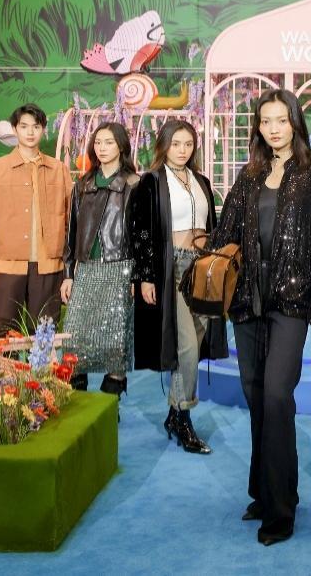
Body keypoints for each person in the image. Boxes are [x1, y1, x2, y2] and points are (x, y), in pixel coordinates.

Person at [208, 89, 311, 547]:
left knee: (277, 395)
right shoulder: (249, 175)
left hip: (291, 299)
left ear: (295, 123)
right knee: (255, 393)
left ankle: (282, 509)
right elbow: (226, 233)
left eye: (281, 120)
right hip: (248, 298)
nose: (273, 128)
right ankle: (263, 492)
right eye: (265, 121)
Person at [131, 120, 226, 455]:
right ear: (164, 146)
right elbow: (140, 233)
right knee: (186, 345)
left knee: (197, 341)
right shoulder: (151, 182)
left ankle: (174, 413)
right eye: (176, 144)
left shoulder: (201, 181)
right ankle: (183, 417)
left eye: (188, 144)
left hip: (202, 268)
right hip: (172, 269)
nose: (183, 150)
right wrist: (144, 276)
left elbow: (212, 226)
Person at [0, 103, 72, 338]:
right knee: (4, 332)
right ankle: (5, 365)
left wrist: (70, 267)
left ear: (43, 130)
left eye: (36, 127)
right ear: (15, 129)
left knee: (44, 333)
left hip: (49, 265)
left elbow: (71, 219)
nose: (30, 132)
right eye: (24, 126)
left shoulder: (59, 170)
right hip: (7, 265)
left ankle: (42, 364)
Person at [58, 123, 139, 402]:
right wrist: (68, 274)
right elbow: (71, 232)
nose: (102, 148)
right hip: (86, 271)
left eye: (109, 142)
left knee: (116, 343)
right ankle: (75, 403)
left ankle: (109, 407)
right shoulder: (82, 185)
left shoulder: (134, 184)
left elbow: (142, 236)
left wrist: (137, 277)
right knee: (74, 339)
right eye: (98, 142)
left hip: (120, 270)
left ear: (122, 146)